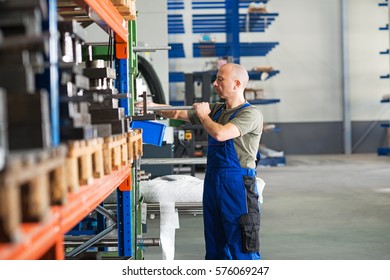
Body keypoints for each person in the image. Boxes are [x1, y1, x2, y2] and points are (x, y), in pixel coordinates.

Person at [138, 63, 263, 260]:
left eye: (220, 79)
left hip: (237, 187)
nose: (215, 83)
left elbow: (221, 134)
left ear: (237, 84)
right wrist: (151, 106)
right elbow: (178, 113)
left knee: (242, 248)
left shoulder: (251, 114)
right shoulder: (218, 110)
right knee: (215, 248)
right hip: (213, 184)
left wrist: (204, 115)